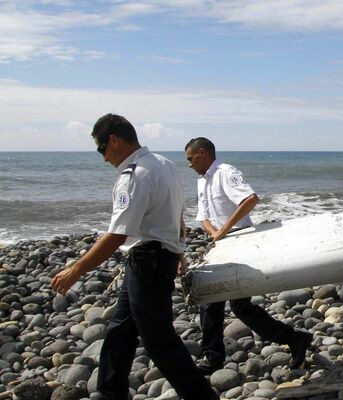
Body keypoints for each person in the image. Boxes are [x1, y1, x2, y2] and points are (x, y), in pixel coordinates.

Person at [52, 114, 218, 399]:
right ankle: (109, 391)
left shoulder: (135, 175)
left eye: (101, 148)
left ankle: (201, 395)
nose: (103, 158)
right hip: (154, 258)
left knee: (158, 340)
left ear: (114, 140)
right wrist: (178, 249)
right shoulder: (164, 164)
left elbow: (117, 234)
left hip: (148, 262)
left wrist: (76, 269)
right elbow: (176, 212)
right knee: (121, 329)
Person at [184, 137, 313, 374]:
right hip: (221, 243)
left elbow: (250, 199)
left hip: (240, 239)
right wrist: (215, 234)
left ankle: (293, 339)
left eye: (190, 158)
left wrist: (223, 231)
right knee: (212, 301)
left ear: (202, 153)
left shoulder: (225, 172)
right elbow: (203, 216)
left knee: (238, 305)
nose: (189, 164)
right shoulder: (202, 181)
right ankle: (213, 357)